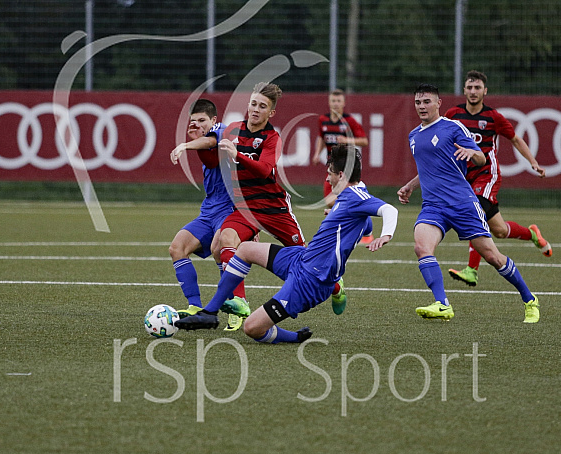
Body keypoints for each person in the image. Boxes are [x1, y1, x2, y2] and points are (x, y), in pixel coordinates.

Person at [175, 144, 399, 343]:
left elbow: (389, 209)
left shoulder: (354, 197)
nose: (327, 179)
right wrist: (338, 219)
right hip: (300, 259)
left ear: (341, 175)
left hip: (311, 282)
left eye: (329, 174)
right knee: (244, 249)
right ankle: (210, 312)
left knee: (252, 328)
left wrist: (386, 235)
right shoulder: (351, 198)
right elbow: (366, 224)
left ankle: (295, 337)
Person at [398, 83, 540, 323]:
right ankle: (442, 304)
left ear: (438, 103)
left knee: (493, 256)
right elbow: (429, 169)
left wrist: (470, 153)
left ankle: (529, 299)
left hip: (462, 203)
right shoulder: (414, 135)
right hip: (433, 206)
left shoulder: (452, 127)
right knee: (422, 247)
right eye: (418, 102)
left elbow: (480, 157)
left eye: (427, 102)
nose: (422, 106)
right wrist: (410, 186)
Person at [211, 82, 321, 320]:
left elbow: (263, 169)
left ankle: (334, 286)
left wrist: (236, 155)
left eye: (262, 106)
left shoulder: (272, 138)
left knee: (305, 260)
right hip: (246, 208)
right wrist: (186, 145)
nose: (255, 109)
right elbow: (211, 140)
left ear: (271, 113)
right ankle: (239, 302)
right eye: (253, 104)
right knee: (224, 240)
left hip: (274, 208)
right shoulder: (232, 129)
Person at [444, 70, 551, 288]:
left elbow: (515, 139)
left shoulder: (493, 117)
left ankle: (472, 271)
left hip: (487, 174)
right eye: (470, 87)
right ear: (464, 90)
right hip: (464, 176)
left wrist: (533, 162)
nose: (473, 92)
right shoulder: (453, 114)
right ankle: (532, 233)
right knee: (499, 230)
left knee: (474, 211)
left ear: (485, 91)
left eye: (477, 88)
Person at [168, 99, 243, 332]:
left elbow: (210, 141)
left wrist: (184, 146)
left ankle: (236, 308)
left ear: (213, 120)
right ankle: (194, 306)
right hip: (208, 210)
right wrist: (192, 142)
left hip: (229, 210)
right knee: (176, 248)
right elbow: (207, 151)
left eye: (202, 120)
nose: (198, 124)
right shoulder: (201, 142)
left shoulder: (222, 132)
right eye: (194, 121)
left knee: (220, 251)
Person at [312, 89, 374, 244]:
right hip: (333, 168)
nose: (336, 104)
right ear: (329, 102)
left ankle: (364, 227)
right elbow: (321, 137)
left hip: (348, 167)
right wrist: (316, 153)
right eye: (333, 101)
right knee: (331, 201)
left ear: (344, 103)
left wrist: (347, 141)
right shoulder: (323, 119)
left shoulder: (349, 121)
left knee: (343, 200)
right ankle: (354, 227)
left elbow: (364, 141)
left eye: (339, 101)